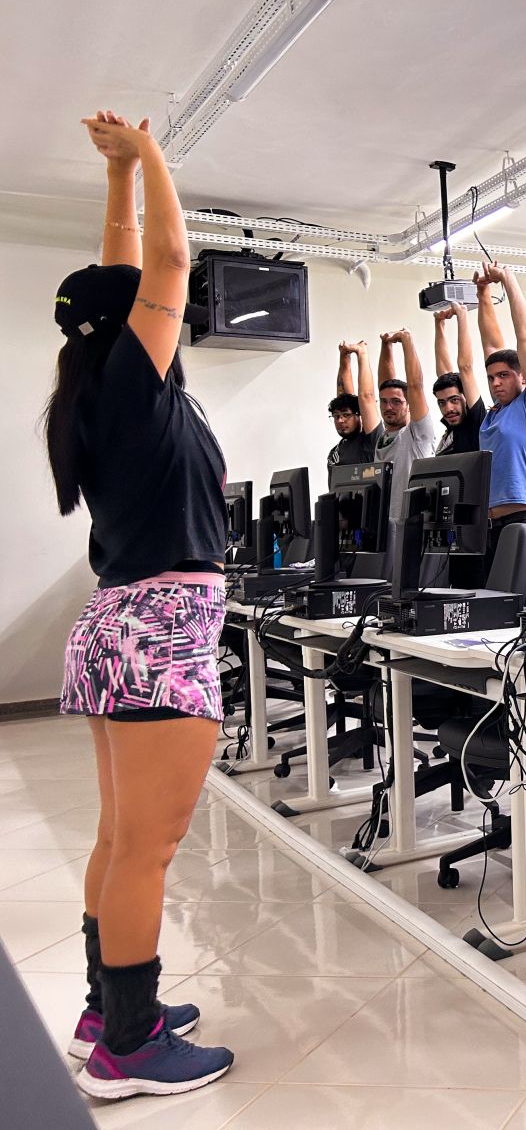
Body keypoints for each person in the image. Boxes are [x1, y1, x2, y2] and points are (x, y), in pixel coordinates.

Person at [48, 111, 234, 1098]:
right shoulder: (132, 380)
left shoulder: (97, 384)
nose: (165, 308)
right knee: (148, 851)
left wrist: (117, 177)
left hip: (120, 625)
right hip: (159, 631)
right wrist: (152, 155)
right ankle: (129, 1046)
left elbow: (125, 266)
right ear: (132, 325)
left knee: (123, 842)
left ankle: (108, 1007)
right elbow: (165, 255)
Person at [474, 262, 526, 597]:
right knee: (503, 617)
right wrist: (483, 292)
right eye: (492, 378)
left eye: (505, 376)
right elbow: (490, 347)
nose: (496, 383)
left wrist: (508, 280)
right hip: (497, 527)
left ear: (522, 375)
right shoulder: (493, 414)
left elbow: (525, 339)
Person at [374, 328, 437, 519]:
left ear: (409, 404)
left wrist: (406, 341)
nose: (389, 407)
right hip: (384, 529)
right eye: (384, 402)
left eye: (396, 402)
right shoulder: (384, 436)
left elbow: (415, 386)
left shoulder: (417, 434)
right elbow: (385, 384)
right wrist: (386, 345)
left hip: (410, 527)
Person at [432, 300, 486, 456]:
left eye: (454, 400)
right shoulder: (451, 430)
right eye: (442, 403)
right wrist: (439, 324)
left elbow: (465, 367)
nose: (448, 408)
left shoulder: (477, 423)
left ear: (465, 397)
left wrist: (462, 316)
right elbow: (444, 373)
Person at [328, 340, 379, 465]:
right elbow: (344, 395)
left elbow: (367, 396)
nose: (340, 420)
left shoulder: (370, 442)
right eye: (336, 416)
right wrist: (344, 356)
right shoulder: (336, 450)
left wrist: (361, 353)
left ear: (360, 415)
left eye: (346, 415)